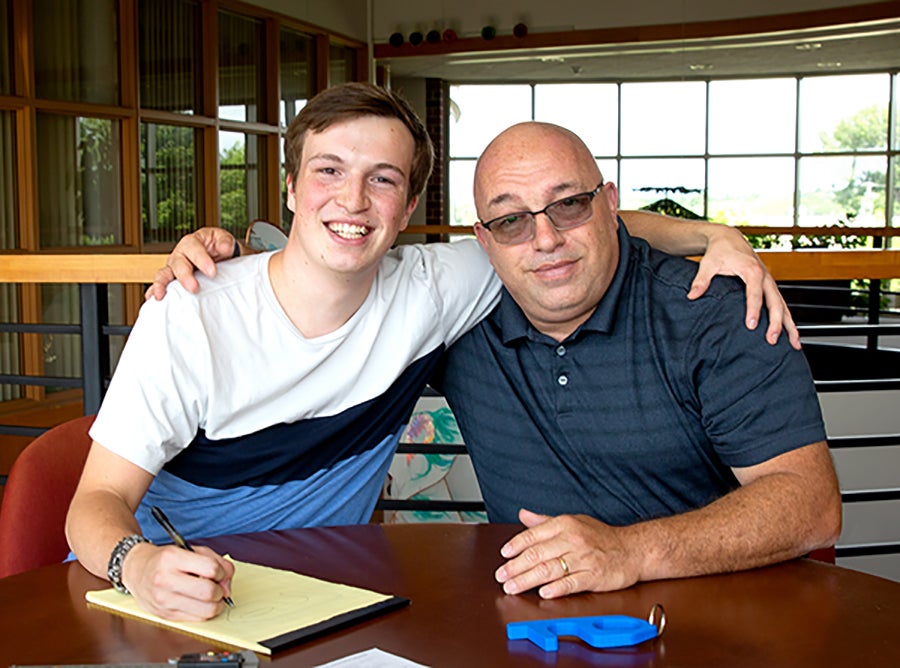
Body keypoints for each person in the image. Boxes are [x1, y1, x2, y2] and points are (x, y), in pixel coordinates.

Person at [67, 82, 795, 623]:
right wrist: (141, 566)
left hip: (311, 600)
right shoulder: (193, 309)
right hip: (158, 596)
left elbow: (563, 222)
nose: (351, 199)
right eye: (327, 170)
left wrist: (709, 235)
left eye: (382, 178)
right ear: (289, 188)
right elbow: (92, 506)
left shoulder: (444, 282)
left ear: (408, 207)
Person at [435, 121, 841, 600]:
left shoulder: (713, 313)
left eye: (569, 205)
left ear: (609, 205)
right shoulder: (457, 321)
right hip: (533, 626)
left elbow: (812, 504)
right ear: (484, 240)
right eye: (511, 220)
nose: (544, 239)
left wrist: (630, 551)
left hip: (718, 623)